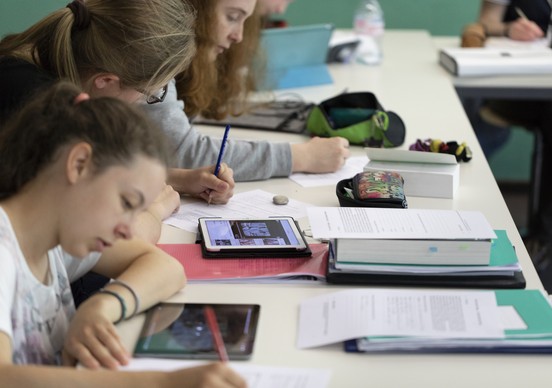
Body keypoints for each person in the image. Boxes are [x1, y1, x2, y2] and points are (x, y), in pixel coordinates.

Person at [0, 81, 246, 387]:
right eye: (126, 203)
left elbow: (167, 269)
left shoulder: (51, 242)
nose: (128, 228)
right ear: (79, 164)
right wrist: (161, 384)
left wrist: (101, 307)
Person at [0, 0, 236, 238]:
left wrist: (179, 179)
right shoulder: (41, 109)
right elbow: (91, 239)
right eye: (148, 94)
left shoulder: (30, 66)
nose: (140, 103)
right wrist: (154, 212)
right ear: (105, 81)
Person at [145, 0, 350, 183]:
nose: (239, 36)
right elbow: (185, 152)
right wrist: (302, 157)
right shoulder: (150, 54)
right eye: (232, 17)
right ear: (195, 7)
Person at [474, 0, 552, 265]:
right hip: (517, 88)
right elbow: (485, 22)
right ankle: (543, 234)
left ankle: (541, 237)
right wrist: (509, 28)